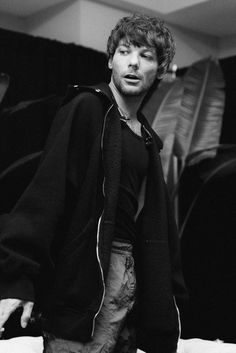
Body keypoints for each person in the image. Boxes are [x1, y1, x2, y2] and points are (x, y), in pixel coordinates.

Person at [0, 13, 186, 353]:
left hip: (133, 283)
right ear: (110, 60)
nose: (133, 63)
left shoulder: (146, 138)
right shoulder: (88, 107)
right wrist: (16, 278)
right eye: (125, 52)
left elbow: (158, 227)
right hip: (87, 280)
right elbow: (47, 190)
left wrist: (168, 297)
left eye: (146, 56)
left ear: (158, 70)